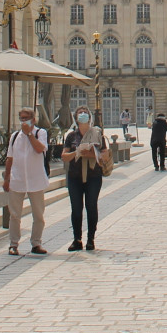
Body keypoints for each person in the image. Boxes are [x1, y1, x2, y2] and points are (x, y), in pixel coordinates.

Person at [3, 107, 49, 256]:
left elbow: (39, 149)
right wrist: (7, 178)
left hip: (36, 180)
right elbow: (10, 158)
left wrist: (29, 133)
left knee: (38, 215)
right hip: (18, 180)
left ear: (33, 120)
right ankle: (13, 244)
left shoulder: (40, 133)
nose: (23, 121)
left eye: (26, 118)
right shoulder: (15, 136)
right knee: (15, 215)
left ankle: (36, 243)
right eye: (21, 118)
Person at [61, 107, 107, 251]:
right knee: (76, 209)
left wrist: (92, 154)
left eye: (85, 113)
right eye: (80, 113)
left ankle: (91, 239)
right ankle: (77, 239)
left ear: (89, 117)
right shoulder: (71, 136)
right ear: (76, 118)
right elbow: (64, 156)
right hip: (75, 177)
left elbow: (105, 155)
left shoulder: (97, 134)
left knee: (91, 206)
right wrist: (78, 152)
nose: (83, 115)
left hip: (93, 176)